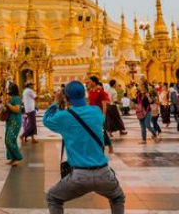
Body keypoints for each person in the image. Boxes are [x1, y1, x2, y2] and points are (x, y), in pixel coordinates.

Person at [43, 80, 126, 214]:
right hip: (104, 173)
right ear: (84, 95)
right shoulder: (96, 111)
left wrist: (55, 102)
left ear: (66, 97)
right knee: (117, 197)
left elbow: (47, 119)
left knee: (53, 198)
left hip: (79, 176)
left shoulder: (64, 116)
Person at [87, 76, 115, 154]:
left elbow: (104, 104)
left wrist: (104, 115)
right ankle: (96, 147)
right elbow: (89, 103)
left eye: (89, 82)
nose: (88, 83)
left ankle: (109, 146)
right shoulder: (90, 92)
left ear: (94, 82)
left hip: (99, 114)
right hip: (91, 115)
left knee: (102, 131)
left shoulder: (101, 91)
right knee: (93, 131)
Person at [3, 83, 23, 166]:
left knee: (10, 140)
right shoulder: (10, 98)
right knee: (7, 140)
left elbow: (17, 110)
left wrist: (8, 104)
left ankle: (18, 157)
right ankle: (12, 158)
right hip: (9, 121)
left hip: (15, 121)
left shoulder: (17, 98)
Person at [134, 80, 159, 144]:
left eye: (143, 87)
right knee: (143, 127)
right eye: (140, 87)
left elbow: (151, 102)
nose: (141, 89)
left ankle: (155, 135)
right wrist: (137, 109)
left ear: (145, 88)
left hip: (147, 111)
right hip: (140, 113)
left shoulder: (149, 94)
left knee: (148, 125)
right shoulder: (138, 95)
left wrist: (148, 96)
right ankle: (144, 140)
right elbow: (136, 103)